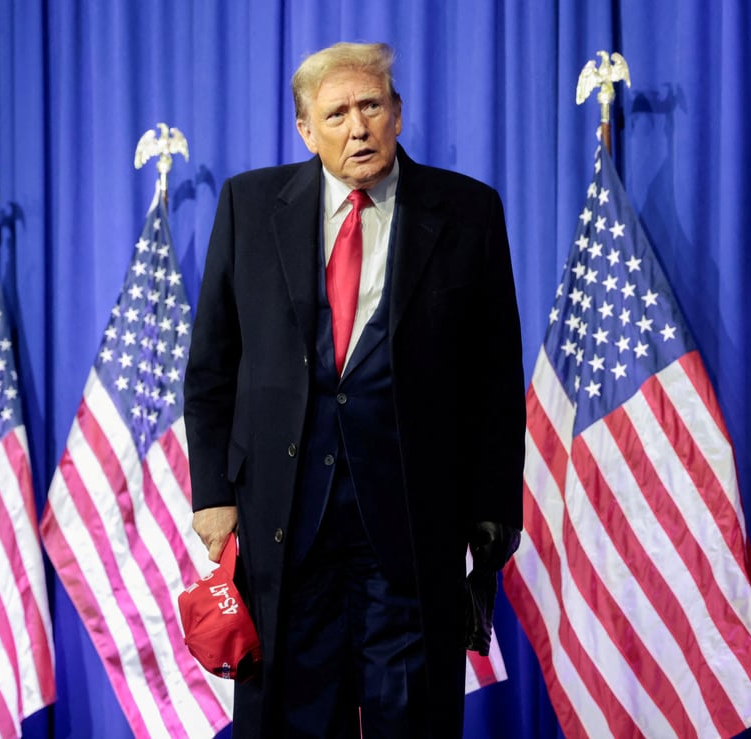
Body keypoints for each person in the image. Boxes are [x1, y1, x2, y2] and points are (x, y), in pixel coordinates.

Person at [184, 41, 525, 738]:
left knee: (414, 719)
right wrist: (214, 492)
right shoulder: (249, 207)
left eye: (371, 105)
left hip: (410, 528)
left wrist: (492, 515)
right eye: (336, 113)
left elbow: (495, 382)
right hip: (287, 528)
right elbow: (213, 365)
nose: (358, 126)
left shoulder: (467, 212)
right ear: (307, 131)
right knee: (296, 720)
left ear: (398, 115)